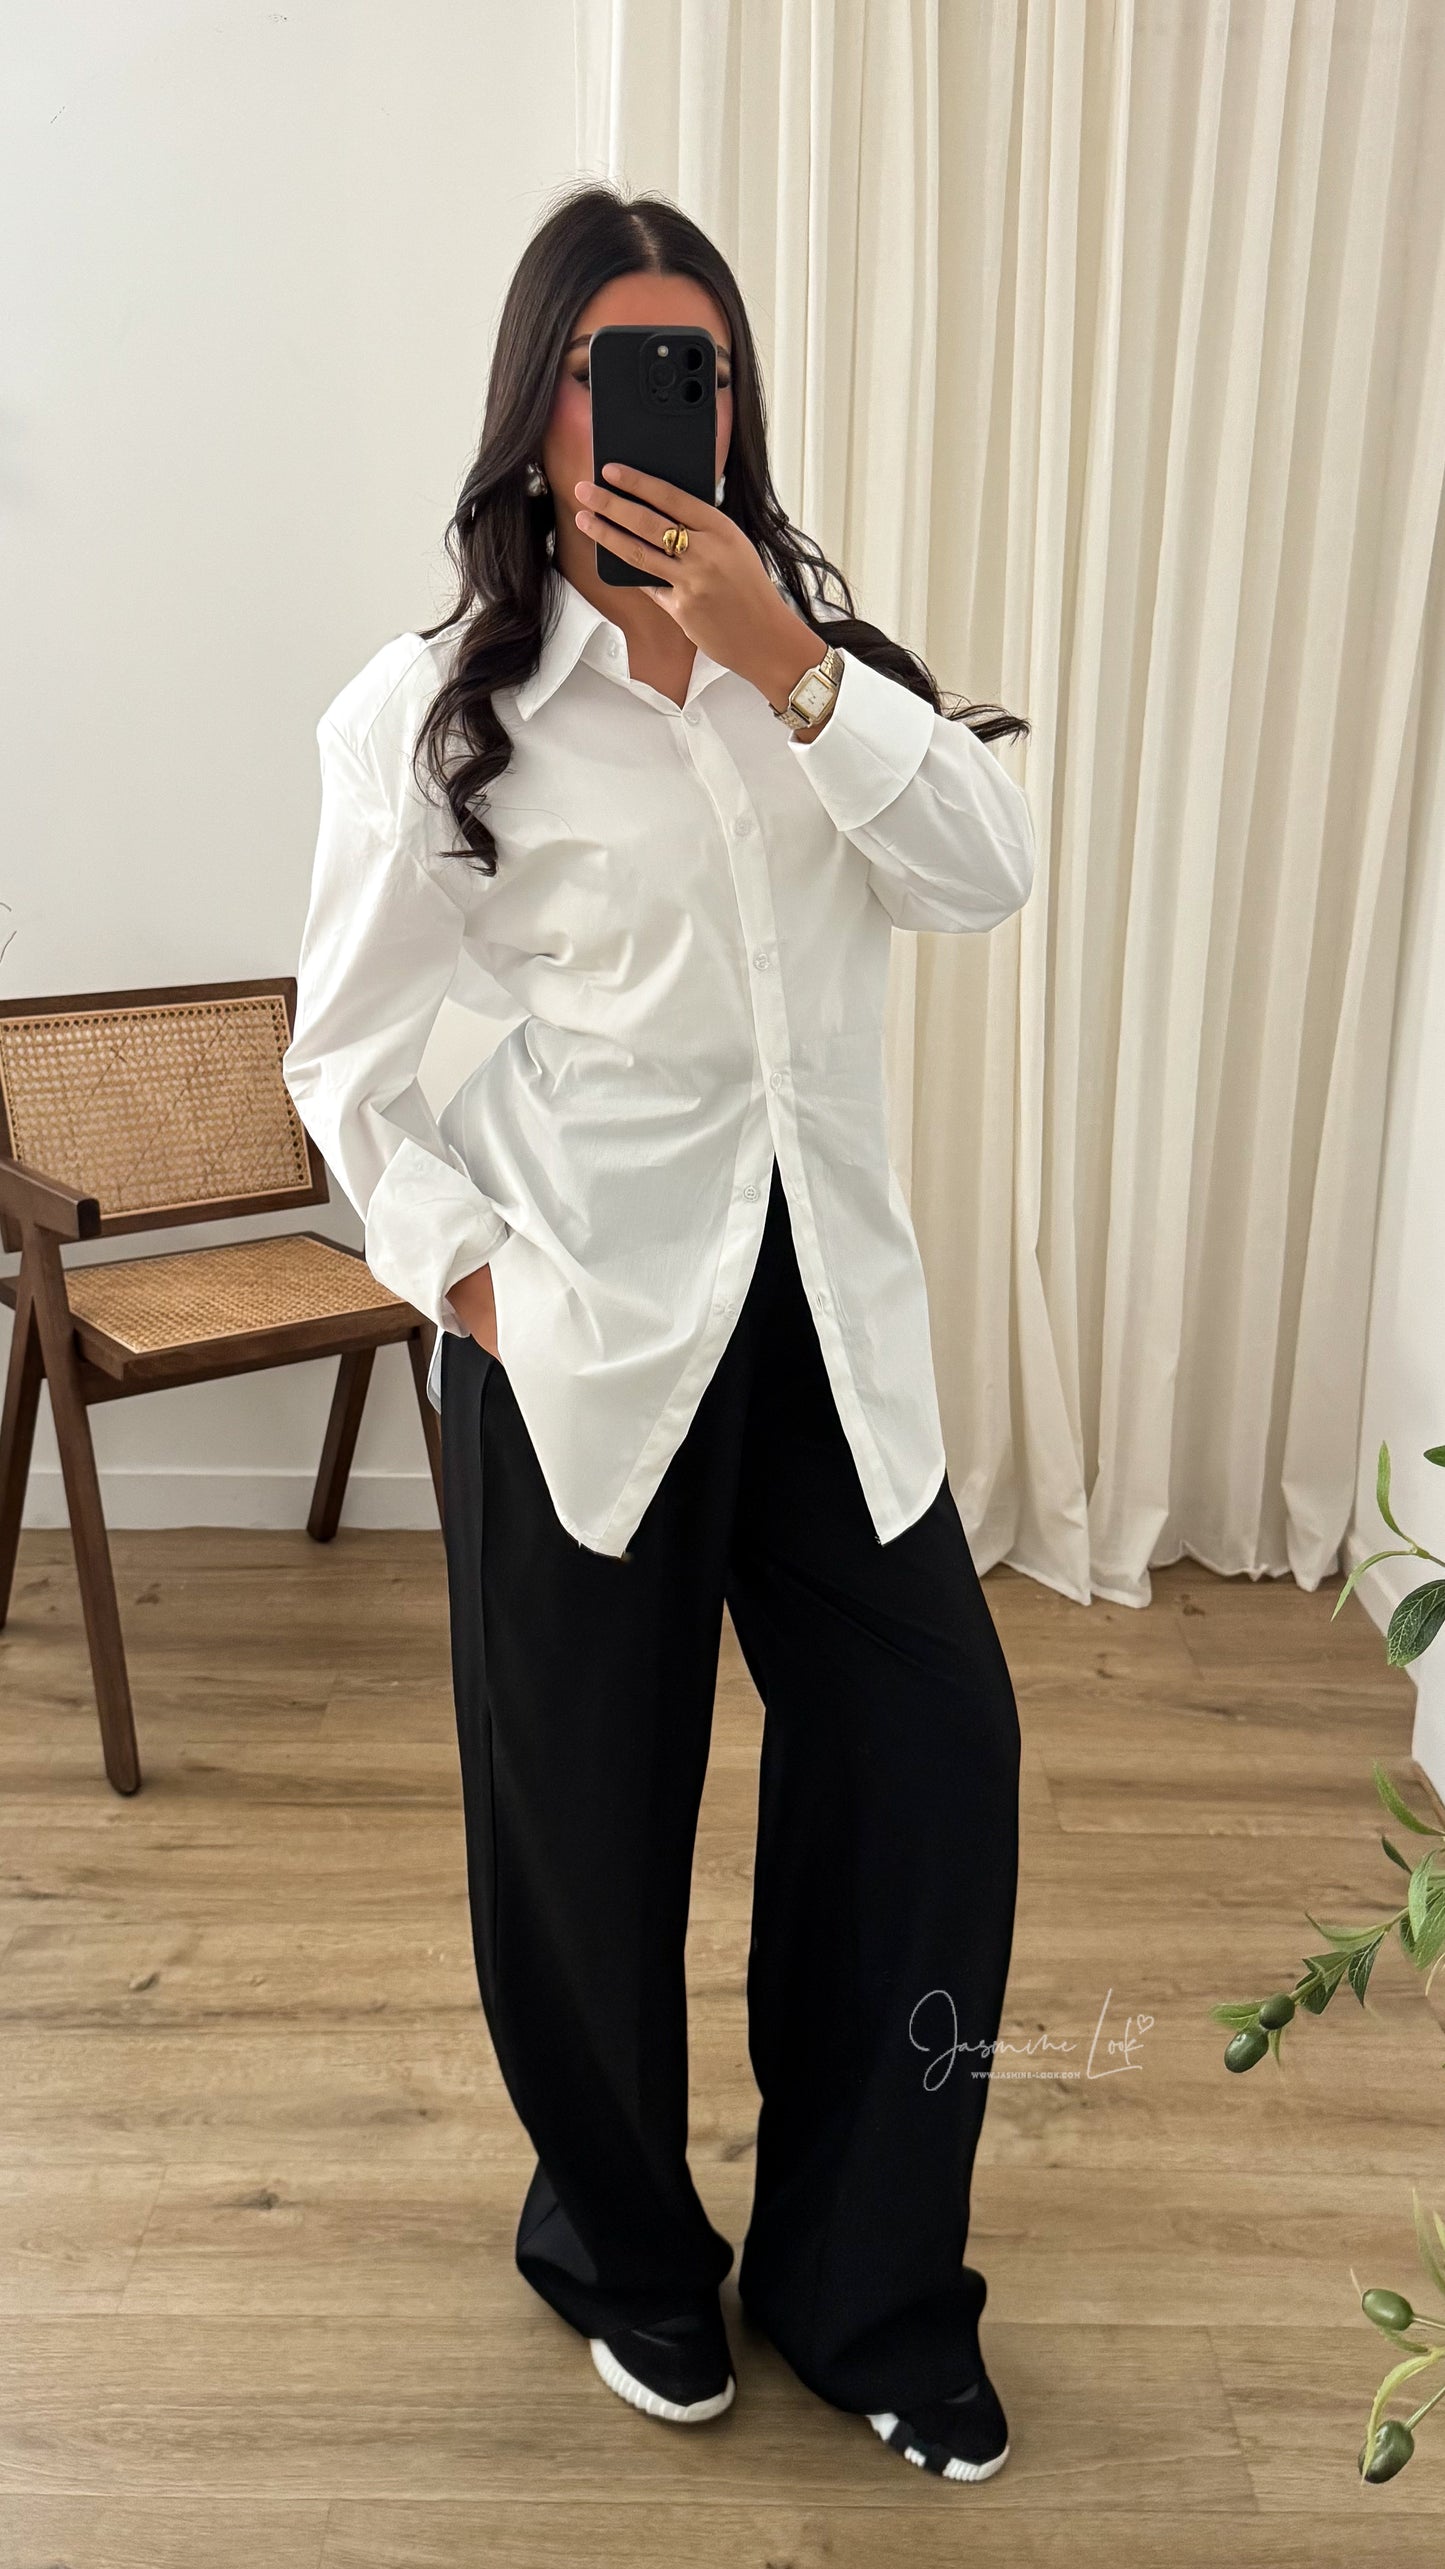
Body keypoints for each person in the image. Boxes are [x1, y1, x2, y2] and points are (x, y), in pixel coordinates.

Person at [282, 178, 1034, 2487]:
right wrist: (477, 1287)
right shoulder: (436, 714)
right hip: (581, 1330)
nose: (647, 413)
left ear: (730, 401)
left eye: (687, 370)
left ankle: (865, 2280)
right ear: (534, 414)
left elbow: (984, 872)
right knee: (584, 1835)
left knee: (933, 1764)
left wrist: (789, 662)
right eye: (608, 372)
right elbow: (346, 1066)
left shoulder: (829, 677)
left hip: (829, 1320)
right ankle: (621, 2251)